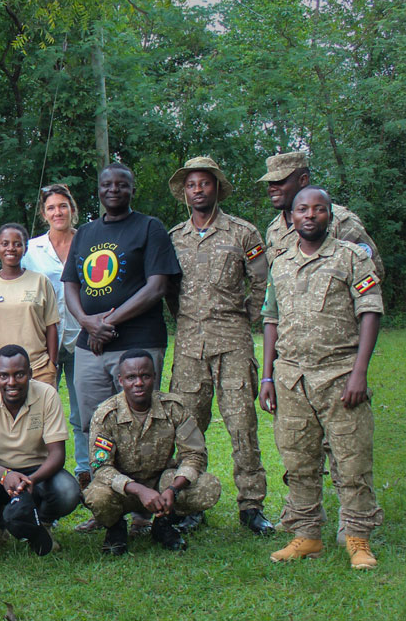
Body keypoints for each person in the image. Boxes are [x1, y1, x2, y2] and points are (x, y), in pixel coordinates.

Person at [259, 186, 383, 570]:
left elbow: (371, 311)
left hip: (340, 376)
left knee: (351, 460)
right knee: (298, 460)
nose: (309, 215)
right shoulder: (279, 262)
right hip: (291, 379)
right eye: (302, 210)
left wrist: (359, 373)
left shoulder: (350, 257)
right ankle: (308, 534)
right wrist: (267, 377)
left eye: (318, 209)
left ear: (331, 215)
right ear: (292, 217)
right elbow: (270, 319)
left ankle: (358, 538)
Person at [60, 163, 181, 533]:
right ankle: (107, 505)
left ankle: (145, 510)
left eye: (122, 184)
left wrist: (106, 323)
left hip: (139, 343)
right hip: (90, 348)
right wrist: (86, 322)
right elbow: (70, 285)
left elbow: (157, 286)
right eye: (107, 184)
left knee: (143, 428)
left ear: (132, 189)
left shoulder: (150, 228)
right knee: (94, 425)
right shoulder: (86, 234)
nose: (114, 190)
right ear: (98, 190)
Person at [165, 158, 273, 536]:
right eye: (192, 184)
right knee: (189, 429)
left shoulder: (243, 232)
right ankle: (192, 502)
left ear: (216, 188)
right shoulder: (174, 237)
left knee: (242, 426)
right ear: (185, 192)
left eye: (205, 183)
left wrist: (244, 315)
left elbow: (262, 283)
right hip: (189, 346)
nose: (198, 190)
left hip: (233, 344)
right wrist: (186, 317)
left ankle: (251, 505)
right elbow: (169, 289)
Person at [83, 350, 221, 556]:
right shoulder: (106, 415)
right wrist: (137, 489)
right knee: (97, 495)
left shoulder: (173, 408)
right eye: (131, 377)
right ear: (121, 380)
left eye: (145, 376)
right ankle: (116, 529)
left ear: (154, 378)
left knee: (207, 487)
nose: (138, 383)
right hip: (124, 489)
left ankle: (163, 524)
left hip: (161, 484)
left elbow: (194, 455)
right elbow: (101, 467)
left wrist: (172, 489)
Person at [0, 345, 81, 556]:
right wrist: (5, 475)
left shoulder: (47, 394)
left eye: (19, 374)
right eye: (4, 375)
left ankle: (42, 527)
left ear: (30, 374)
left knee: (68, 490)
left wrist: (30, 480)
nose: (11, 382)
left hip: (37, 472)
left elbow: (58, 454)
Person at [22, 183, 90, 487]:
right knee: (38, 408)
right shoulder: (31, 249)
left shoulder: (88, 241)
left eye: (63, 206)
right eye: (51, 207)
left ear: (72, 209)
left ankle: (87, 471)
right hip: (42, 340)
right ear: (43, 213)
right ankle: (35, 471)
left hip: (84, 339)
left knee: (83, 411)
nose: (57, 212)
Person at [260, 152, 383, 279]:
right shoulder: (274, 229)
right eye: (270, 183)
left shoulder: (340, 221)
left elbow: (372, 273)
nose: (272, 188)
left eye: (280, 181)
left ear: (303, 180)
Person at [0, 223, 59, 387]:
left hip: (39, 370)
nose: (11, 248)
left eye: (17, 244)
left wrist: (52, 365)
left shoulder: (41, 282)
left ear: (25, 249)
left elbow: (52, 327)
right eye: (5, 244)